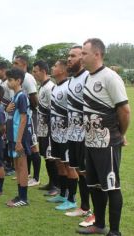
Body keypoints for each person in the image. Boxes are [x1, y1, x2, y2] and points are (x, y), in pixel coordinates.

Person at [76, 38, 130, 236]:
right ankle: (99, 225)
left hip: (107, 142)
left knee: (111, 186)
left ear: (97, 54)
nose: (81, 57)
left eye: (84, 53)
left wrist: (120, 134)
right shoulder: (89, 77)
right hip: (90, 141)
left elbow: (124, 110)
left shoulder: (110, 77)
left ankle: (114, 231)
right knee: (94, 185)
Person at [64, 46, 95, 227]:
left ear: (82, 59)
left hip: (85, 135)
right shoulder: (71, 80)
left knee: (87, 173)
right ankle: (84, 207)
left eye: (73, 56)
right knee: (80, 172)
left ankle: (92, 211)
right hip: (72, 134)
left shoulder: (87, 77)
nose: (69, 59)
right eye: (68, 56)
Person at [46, 60, 78, 212]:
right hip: (55, 133)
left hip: (66, 135)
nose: (52, 67)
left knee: (69, 165)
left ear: (63, 70)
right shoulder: (55, 87)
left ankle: (72, 199)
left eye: (55, 65)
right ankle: (63, 194)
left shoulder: (69, 86)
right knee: (59, 163)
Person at [6, 68, 32, 207]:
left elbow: (23, 119)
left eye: (10, 80)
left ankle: (24, 198)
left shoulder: (22, 96)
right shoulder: (14, 96)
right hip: (13, 137)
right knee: (17, 165)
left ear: (18, 81)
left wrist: (19, 140)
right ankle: (19, 194)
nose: (8, 82)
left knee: (22, 166)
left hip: (19, 139)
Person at [13, 55, 41, 187]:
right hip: (24, 116)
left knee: (33, 146)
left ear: (24, 65)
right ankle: (27, 173)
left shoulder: (28, 78)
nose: (14, 66)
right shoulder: (20, 79)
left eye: (16, 63)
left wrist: (32, 112)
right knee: (27, 145)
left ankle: (36, 177)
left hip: (30, 116)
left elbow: (34, 99)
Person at [32, 60, 58, 196]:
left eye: (35, 71)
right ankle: (51, 182)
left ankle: (56, 185)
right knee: (46, 156)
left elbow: (54, 110)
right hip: (42, 128)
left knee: (51, 157)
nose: (34, 74)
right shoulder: (42, 86)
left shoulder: (50, 87)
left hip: (49, 130)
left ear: (43, 71)